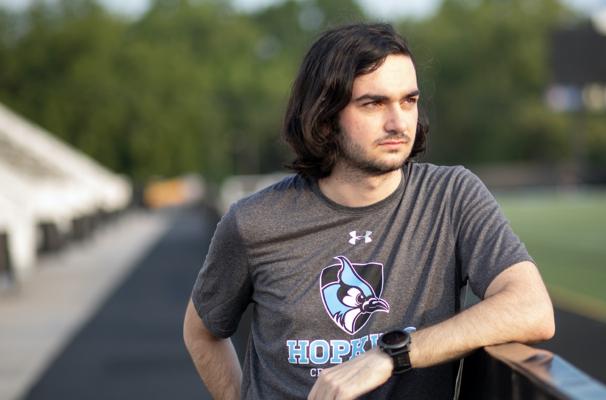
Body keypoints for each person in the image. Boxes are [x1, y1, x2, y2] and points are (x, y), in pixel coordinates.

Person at [183, 22, 554, 400]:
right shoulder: (255, 221)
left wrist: (392, 355)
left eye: (408, 101)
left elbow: (531, 308)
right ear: (325, 116)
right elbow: (201, 330)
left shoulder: (451, 197)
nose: (398, 122)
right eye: (373, 104)